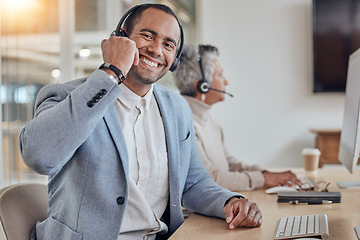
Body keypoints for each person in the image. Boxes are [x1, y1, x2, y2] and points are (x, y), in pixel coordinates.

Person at [19, 4, 262, 240]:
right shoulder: (66, 96)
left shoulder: (177, 108)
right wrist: (111, 72)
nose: (157, 50)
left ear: (174, 59)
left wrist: (230, 202)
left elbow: (194, 182)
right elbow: (39, 157)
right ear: (120, 38)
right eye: (148, 35)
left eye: (168, 44)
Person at [172, 44, 302, 191]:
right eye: (220, 75)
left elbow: (230, 164)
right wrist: (264, 179)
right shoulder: (184, 124)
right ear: (203, 85)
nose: (226, 81)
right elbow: (211, 179)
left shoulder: (208, 118)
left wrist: (266, 174)